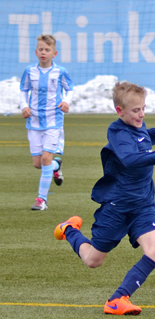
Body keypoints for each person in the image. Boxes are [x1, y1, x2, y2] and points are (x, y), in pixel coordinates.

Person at [53, 81, 155, 315]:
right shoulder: (117, 132)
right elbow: (131, 159)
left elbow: (149, 135)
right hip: (117, 207)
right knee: (92, 260)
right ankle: (69, 229)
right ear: (120, 111)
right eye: (135, 110)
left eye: (143, 108)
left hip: (142, 205)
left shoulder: (138, 126)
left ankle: (118, 299)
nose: (141, 114)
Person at [20, 34, 74, 210]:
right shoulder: (29, 71)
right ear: (36, 52)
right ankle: (56, 166)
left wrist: (66, 102)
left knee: (45, 158)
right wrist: (24, 106)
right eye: (41, 49)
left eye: (47, 50)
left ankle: (41, 200)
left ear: (54, 53)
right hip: (34, 121)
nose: (44, 52)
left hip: (53, 120)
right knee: (39, 164)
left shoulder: (61, 72)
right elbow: (24, 90)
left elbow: (69, 89)